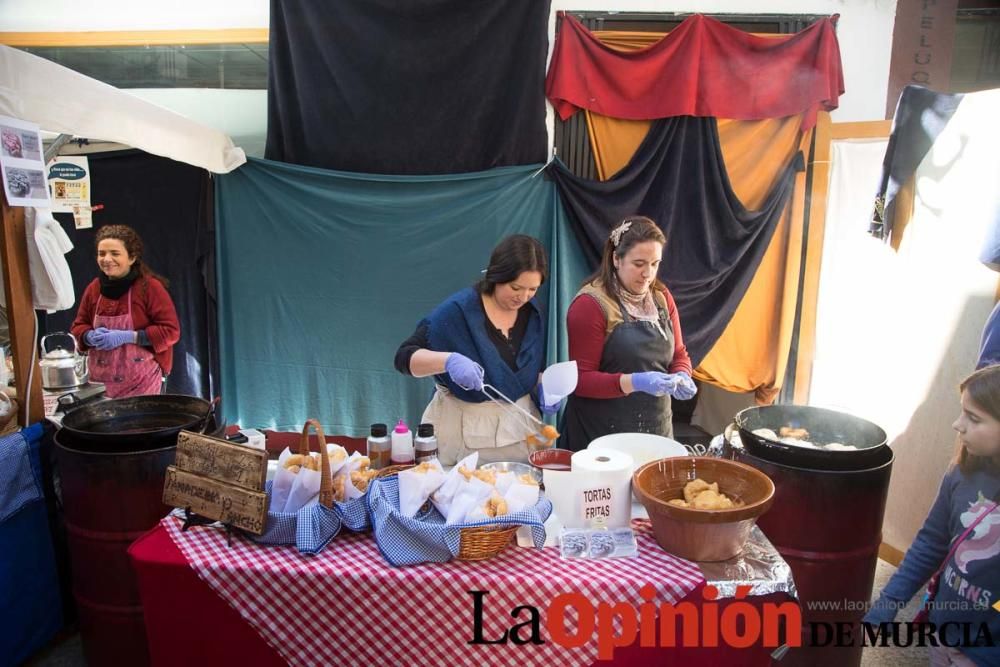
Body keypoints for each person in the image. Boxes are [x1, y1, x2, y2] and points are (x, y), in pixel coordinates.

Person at [864, 366, 1000, 666]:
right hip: (943, 631)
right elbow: (930, 544)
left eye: (973, 418)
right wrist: (889, 602)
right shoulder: (960, 472)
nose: (957, 424)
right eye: (961, 412)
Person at [394, 235, 557, 465]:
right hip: (462, 439)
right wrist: (448, 361)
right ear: (496, 276)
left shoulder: (534, 312)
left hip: (519, 435)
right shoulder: (457, 311)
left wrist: (544, 387)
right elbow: (404, 357)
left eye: (533, 289)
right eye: (516, 287)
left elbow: (527, 368)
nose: (523, 297)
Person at [561, 216, 695, 450]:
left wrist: (683, 374)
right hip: (601, 436)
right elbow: (580, 380)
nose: (648, 274)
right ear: (616, 258)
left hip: (656, 430)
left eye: (655, 264)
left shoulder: (662, 298)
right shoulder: (591, 305)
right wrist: (635, 382)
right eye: (639, 263)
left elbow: (679, 354)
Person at [71, 225, 180, 398]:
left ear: (132, 257)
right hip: (100, 383)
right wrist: (87, 336)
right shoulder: (94, 288)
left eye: (115, 253)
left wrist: (129, 336)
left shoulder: (150, 288)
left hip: (141, 381)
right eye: (102, 253)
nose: (106, 259)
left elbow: (171, 332)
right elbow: (78, 325)